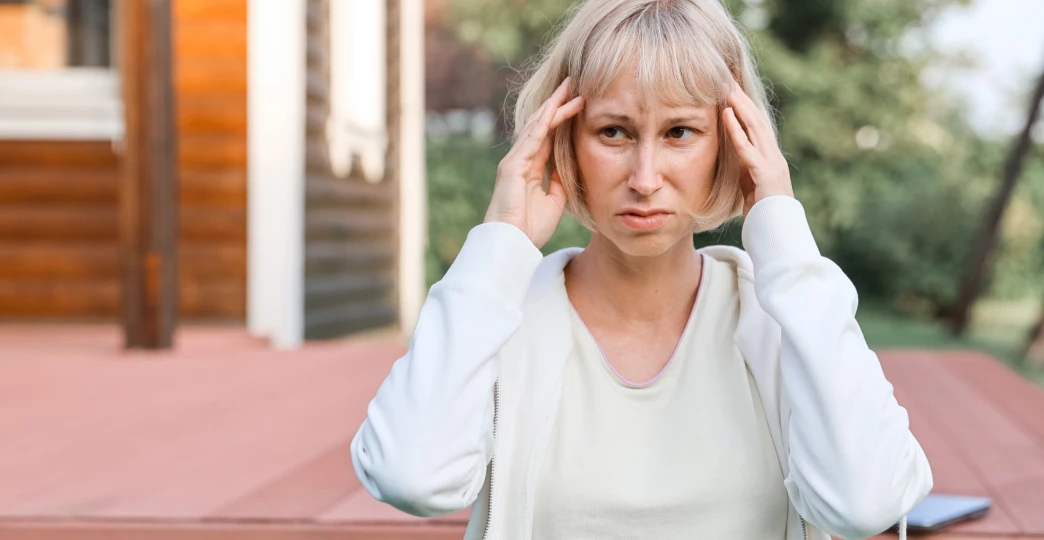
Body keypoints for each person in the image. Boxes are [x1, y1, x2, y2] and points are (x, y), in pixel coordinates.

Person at [350, 0, 933, 538]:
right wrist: (499, 244)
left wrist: (784, 240)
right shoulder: (503, 312)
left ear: (731, 144)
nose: (645, 177)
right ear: (562, 140)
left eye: (680, 132)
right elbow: (411, 477)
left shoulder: (780, 315)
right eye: (614, 132)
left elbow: (867, 504)